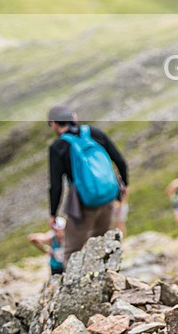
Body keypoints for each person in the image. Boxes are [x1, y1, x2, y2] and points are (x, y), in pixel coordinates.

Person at [47, 105, 129, 263]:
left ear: (54, 123)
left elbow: (56, 185)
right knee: (102, 243)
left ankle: (76, 284)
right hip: (108, 196)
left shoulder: (58, 147)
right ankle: (106, 277)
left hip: (83, 203)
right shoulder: (94, 133)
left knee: (72, 249)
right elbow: (120, 161)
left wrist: (53, 213)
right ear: (74, 118)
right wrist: (124, 185)